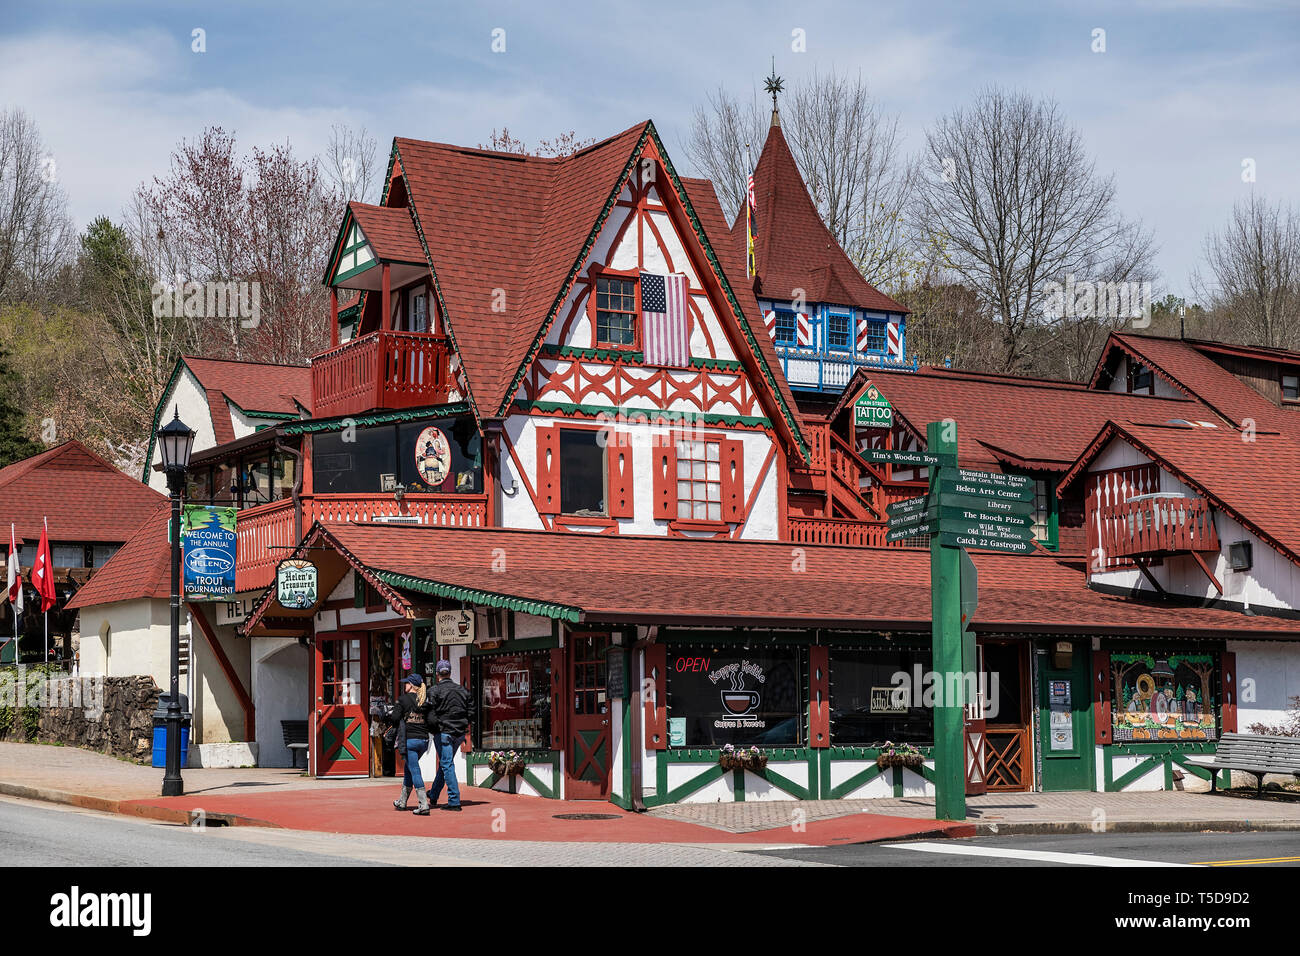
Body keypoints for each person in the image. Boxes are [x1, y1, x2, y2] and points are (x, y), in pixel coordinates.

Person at [425, 659, 471, 811]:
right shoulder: (462, 690)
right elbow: (471, 711)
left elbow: (429, 713)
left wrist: (433, 729)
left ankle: (454, 801)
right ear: (450, 672)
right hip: (458, 732)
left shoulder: (434, 691)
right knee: (446, 762)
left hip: (444, 732)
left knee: (446, 764)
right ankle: (434, 793)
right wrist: (465, 726)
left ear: (437, 674)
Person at [391, 673, 432, 815]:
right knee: (409, 768)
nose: (405, 685)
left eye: (406, 683)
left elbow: (394, 718)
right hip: (424, 741)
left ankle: (423, 804)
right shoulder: (425, 700)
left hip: (410, 740)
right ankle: (402, 802)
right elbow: (432, 721)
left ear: (412, 685)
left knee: (414, 770)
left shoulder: (403, 700)